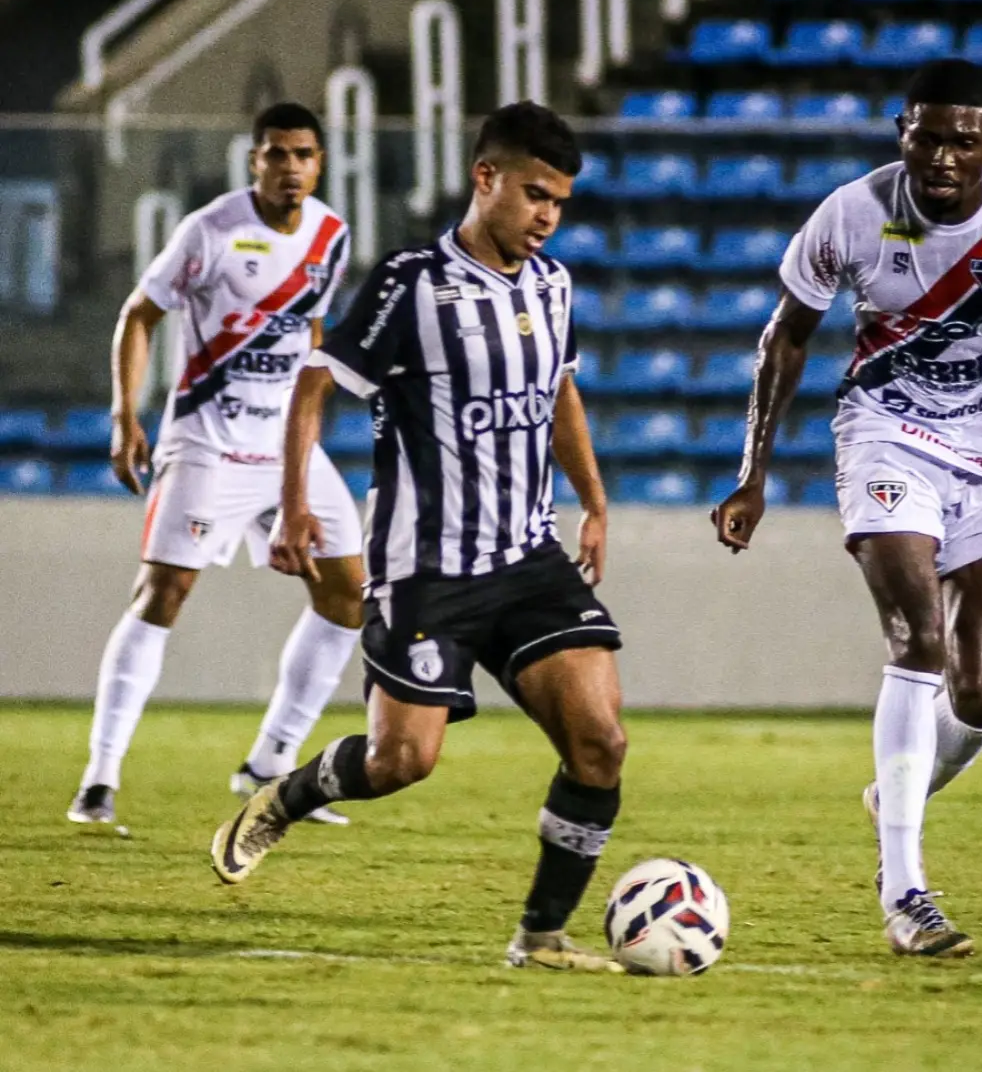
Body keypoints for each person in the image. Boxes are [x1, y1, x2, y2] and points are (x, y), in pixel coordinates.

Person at [209, 101, 628, 973]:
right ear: (486, 179)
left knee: (600, 742)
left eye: (560, 202)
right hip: (427, 569)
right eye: (535, 194)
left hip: (528, 556)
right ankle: (288, 793)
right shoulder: (411, 282)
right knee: (404, 760)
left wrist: (592, 499)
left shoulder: (553, 286)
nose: (548, 216)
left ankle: (542, 936)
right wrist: (294, 504)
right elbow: (316, 384)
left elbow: (558, 395)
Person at [712, 59, 982, 957]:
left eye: (962, 141)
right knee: (920, 639)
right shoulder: (852, 213)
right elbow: (786, 338)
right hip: (886, 438)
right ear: (902, 130)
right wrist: (754, 472)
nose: (941, 157)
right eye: (926, 137)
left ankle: (896, 788)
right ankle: (906, 894)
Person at [67, 103, 364, 828]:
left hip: (286, 447)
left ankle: (268, 762)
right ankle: (99, 779)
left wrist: (307, 432)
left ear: (319, 163)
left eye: (304, 154)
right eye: (276, 154)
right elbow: (141, 313)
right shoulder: (210, 231)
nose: (290, 167)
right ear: (253, 160)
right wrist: (124, 413)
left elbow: (313, 339)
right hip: (208, 442)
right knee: (163, 594)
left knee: (350, 595)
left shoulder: (331, 235)